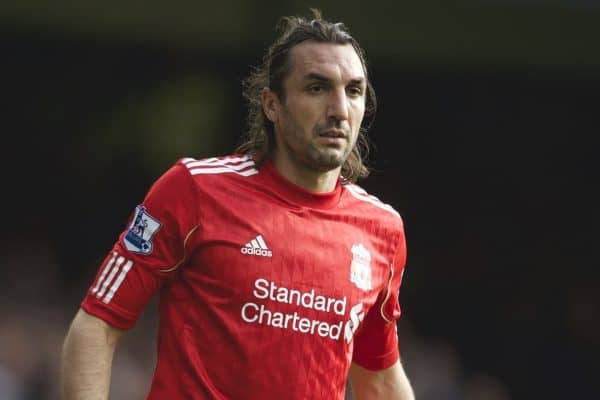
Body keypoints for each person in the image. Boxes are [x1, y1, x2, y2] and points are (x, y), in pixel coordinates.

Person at [61, 9, 415, 400]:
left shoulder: (381, 229)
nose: (339, 109)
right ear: (272, 105)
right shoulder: (193, 190)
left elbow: (378, 377)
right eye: (317, 88)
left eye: (353, 91)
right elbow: (97, 325)